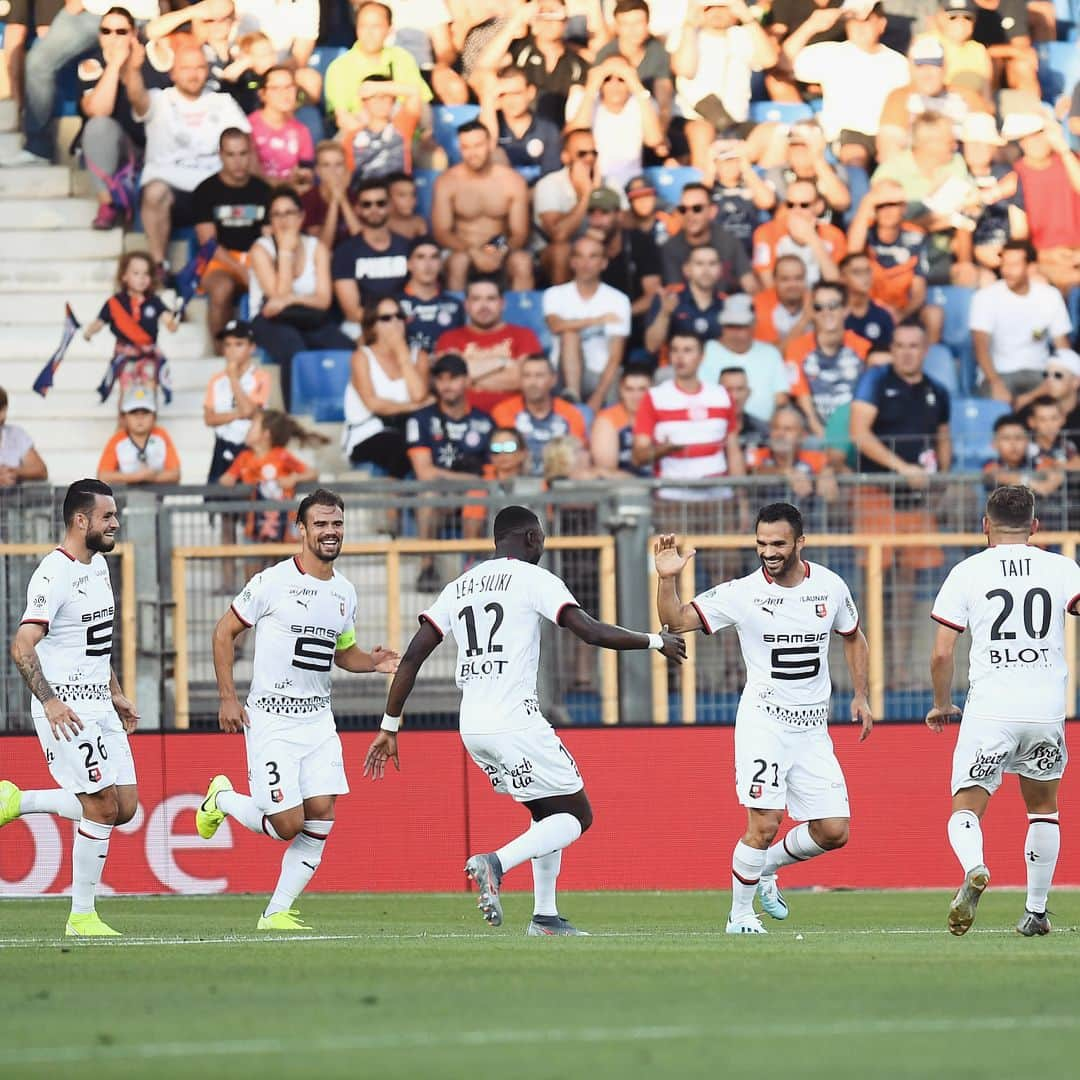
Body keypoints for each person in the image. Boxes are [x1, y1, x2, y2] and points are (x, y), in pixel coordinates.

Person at [362, 504, 686, 935]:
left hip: (473, 729)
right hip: (515, 722)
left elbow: (413, 657)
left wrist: (389, 726)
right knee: (576, 817)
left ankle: (545, 917)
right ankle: (495, 864)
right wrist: (654, 641)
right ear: (533, 539)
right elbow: (587, 630)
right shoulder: (534, 578)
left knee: (546, 814)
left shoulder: (459, 586)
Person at [654, 502, 872, 933]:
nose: (769, 552)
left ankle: (765, 868)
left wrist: (861, 695)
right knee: (765, 821)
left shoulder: (829, 586)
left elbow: (853, 637)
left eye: (778, 544)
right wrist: (667, 579)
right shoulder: (743, 592)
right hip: (764, 724)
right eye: (761, 543)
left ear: (799, 544)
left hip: (812, 730)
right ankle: (739, 916)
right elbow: (674, 621)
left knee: (833, 831)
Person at [198, 488, 400, 930]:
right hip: (271, 718)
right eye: (322, 524)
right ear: (302, 528)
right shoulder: (272, 582)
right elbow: (222, 631)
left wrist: (373, 662)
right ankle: (223, 798)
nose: (331, 532)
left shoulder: (345, 592)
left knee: (322, 813)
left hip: (317, 720)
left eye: (338, 524)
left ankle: (276, 912)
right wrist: (228, 696)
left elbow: (342, 653)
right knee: (287, 824)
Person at [927, 484, 1080, 936]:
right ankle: (1036, 912)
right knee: (1044, 809)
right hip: (1046, 708)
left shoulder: (967, 572)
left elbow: (941, 653)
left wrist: (941, 704)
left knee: (966, 807)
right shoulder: (1062, 568)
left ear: (985, 526)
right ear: (1034, 526)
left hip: (991, 708)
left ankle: (975, 867)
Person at [1, 479, 139, 937]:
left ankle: (21, 801)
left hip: (100, 702)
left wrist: (115, 690)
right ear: (81, 521)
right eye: (107, 516)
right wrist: (51, 700)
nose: (115, 523)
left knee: (126, 808)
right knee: (100, 807)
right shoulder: (53, 574)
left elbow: (94, 645)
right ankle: (82, 915)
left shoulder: (99, 566)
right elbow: (21, 646)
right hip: (67, 711)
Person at [850, 321, 951, 681]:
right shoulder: (876, 381)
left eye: (914, 345)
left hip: (916, 500)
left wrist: (940, 477)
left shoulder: (936, 391)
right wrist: (901, 467)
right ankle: (870, 670)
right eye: (901, 345)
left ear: (925, 350)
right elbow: (858, 433)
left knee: (906, 585)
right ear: (893, 349)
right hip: (877, 493)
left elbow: (943, 437)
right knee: (875, 583)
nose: (907, 352)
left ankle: (897, 669)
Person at [124, 40, 251, 278]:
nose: (193, 74)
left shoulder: (222, 102)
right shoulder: (159, 100)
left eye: (199, 67)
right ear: (172, 72)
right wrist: (133, 68)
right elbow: (136, 97)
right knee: (155, 191)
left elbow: (245, 142)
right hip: (173, 193)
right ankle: (159, 266)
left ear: (207, 70)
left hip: (215, 190)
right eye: (186, 68)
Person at [249, 186, 352, 408]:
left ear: (301, 216)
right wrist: (285, 252)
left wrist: (291, 300)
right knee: (293, 347)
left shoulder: (317, 248)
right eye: (277, 214)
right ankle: (297, 413)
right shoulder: (261, 250)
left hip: (309, 317)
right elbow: (277, 298)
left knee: (347, 348)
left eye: (289, 213)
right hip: (268, 320)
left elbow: (324, 301)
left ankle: (343, 408)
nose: (284, 220)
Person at [786, 0, 909, 170]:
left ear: (881, 24)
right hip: (847, 137)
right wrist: (811, 26)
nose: (859, 26)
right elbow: (783, 63)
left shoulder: (899, 64)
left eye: (866, 20)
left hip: (888, 136)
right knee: (855, 155)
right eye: (853, 20)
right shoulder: (832, 54)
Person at [406, 353, 494, 590]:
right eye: (441, 378)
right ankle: (427, 568)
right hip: (440, 496)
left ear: (466, 380)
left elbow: (493, 468)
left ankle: (472, 567)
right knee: (429, 495)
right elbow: (425, 473)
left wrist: (474, 481)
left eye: (454, 378)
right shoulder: (421, 419)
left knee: (479, 494)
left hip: (476, 496)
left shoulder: (484, 421)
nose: (447, 385)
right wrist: (470, 479)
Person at [667, 0, 779, 172]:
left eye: (723, 5)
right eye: (710, 6)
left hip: (736, 124)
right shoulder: (686, 33)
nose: (717, 11)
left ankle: (755, 186)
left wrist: (747, 17)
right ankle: (703, 190)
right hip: (695, 120)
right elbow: (684, 69)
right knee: (703, 132)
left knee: (776, 134)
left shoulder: (743, 35)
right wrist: (690, 23)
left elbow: (769, 60)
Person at [632, 330, 746, 499]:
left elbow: (733, 451)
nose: (680, 356)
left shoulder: (721, 396)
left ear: (701, 356)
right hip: (672, 497)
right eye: (675, 350)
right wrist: (664, 450)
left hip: (718, 498)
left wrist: (742, 501)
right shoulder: (655, 397)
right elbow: (638, 456)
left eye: (687, 350)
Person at [431, 121, 533, 292]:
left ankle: (519, 317)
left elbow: (520, 232)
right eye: (466, 147)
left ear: (490, 144)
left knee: (522, 262)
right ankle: (459, 317)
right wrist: (473, 252)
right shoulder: (447, 182)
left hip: (502, 250)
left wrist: (501, 251)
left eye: (478, 145)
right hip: (461, 250)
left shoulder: (512, 181)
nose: (472, 153)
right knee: (458, 262)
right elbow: (442, 232)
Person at [194, 128, 272, 341]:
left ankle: (263, 349)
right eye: (231, 155)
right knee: (223, 288)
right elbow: (208, 244)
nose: (238, 161)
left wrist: (255, 268)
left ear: (250, 154)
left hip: (256, 259)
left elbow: (269, 237)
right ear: (221, 155)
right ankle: (221, 354)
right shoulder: (206, 191)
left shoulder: (263, 191)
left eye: (243, 154)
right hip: (219, 262)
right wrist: (240, 268)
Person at [969, 241, 1072, 401]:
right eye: (1005, 264)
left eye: (1014, 264)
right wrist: (996, 383)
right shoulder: (984, 297)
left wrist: (1062, 380)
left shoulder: (1050, 296)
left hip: (1040, 373)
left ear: (1031, 267)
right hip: (998, 374)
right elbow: (980, 348)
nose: (1006, 270)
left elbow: (1062, 347)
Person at [344, 297, 432, 476]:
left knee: (420, 447)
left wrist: (401, 353)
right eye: (386, 318)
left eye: (399, 316)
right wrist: (412, 407)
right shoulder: (361, 357)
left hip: (410, 430)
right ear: (372, 325)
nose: (395, 322)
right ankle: (394, 503)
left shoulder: (418, 356)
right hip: (368, 431)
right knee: (399, 447)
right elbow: (374, 404)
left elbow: (418, 394)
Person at [77, 7, 146, 231]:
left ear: (133, 34)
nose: (113, 37)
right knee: (98, 126)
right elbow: (99, 110)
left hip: (146, 146)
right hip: (106, 149)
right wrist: (115, 65)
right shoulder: (91, 66)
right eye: (106, 31)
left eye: (121, 31)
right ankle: (108, 205)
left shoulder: (149, 60)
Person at [543, 234, 630, 409]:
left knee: (617, 375)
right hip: (560, 374)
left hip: (600, 373)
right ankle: (572, 396)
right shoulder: (554, 294)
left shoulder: (618, 300)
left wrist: (598, 397)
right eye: (580, 256)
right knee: (569, 335)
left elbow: (615, 357)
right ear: (572, 262)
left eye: (593, 256)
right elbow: (556, 325)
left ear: (604, 263)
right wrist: (599, 320)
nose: (585, 263)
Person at [469, 0, 589, 126]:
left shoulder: (577, 63)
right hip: (514, 128)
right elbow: (483, 66)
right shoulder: (520, 50)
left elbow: (576, 113)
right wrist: (516, 21)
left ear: (565, 21)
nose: (547, 21)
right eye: (541, 14)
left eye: (553, 14)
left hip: (556, 133)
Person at [82, 250, 179, 406]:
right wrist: (88, 332)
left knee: (149, 389)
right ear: (124, 276)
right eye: (136, 273)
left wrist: (174, 321)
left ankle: (149, 422)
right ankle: (123, 424)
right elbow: (99, 323)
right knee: (126, 390)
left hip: (149, 356)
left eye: (146, 274)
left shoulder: (154, 301)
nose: (142, 278)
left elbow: (170, 323)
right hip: (125, 356)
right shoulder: (114, 303)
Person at [434, 276, 542, 414]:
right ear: (466, 305)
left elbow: (525, 380)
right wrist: (502, 363)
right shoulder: (449, 338)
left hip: (512, 417)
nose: (484, 306)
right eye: (476, 299)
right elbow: (448, 381)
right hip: (462, 417)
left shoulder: (524, 335)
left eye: (491, 299)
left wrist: (466, 377)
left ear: (502, 303)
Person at [876, 35, 987, 165]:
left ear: (945, 67)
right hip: (914, 173)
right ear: (911, 68)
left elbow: (986, 147)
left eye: (934, 65)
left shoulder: (968, 97)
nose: (927, 74)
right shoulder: (899, 99)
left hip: (962, 170)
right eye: (920, 66)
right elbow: (889, 153)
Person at [219, 409, 326, 541]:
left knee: (288, 560)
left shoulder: (281, 455)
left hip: (284, 525)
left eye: (253, 426)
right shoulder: (244, 458)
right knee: (253, 560)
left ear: (266, 434)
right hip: (255, 525)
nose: (248, 430)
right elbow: (227, 478)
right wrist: (228, 480)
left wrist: (293, 478)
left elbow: (312, 473)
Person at [564, 54, 665, 193]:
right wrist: (592, 86)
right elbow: (575, 133)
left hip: (632, 185)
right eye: (607, 78)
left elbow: (654, 140)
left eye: (621, 79)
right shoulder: (582, 98)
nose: (614, 85)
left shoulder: (643, 102)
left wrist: (636, 84)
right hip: (592, 182)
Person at [1005, 113, 1080, 294]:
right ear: (1021, 142)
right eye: (1031, 137)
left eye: (1041, 134)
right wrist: (1043, 256)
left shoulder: (1070, 161)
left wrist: (1064, 151)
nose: (1037, 141)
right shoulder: (1016, 174)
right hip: (1045, 257)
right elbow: (1019, 232)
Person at [324, 0, 433, 125]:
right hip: (359, 133)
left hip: (402, 130)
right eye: (363, 26)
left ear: (389, 29)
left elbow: (418, 97)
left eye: (376, 26)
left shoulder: (402, 57)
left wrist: (376, 88)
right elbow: (341, 116)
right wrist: (374, 139)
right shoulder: (339, 66)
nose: (369, 33)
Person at [784, 280, 870, 436]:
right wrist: (821, 433)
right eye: (818, 307)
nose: (826, 312)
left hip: (855, 433)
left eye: (833, 306)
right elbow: (802, 399)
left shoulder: (863, 348)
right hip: (813, 434)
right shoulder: (796, 349)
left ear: (846, 309)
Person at [846, 179, 932, 333]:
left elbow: (919, 291)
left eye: (893, 205)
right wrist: (868, 202)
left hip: (902, 310)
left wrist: (901, 314)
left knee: (934, 314)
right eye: (880, 205)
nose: (887, 211)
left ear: (904, 207)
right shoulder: (863, 231)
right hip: (866, 308)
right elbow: (852, 254)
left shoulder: (916, 236)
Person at [332, 176, 412, 333]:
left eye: (380, 203)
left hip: (404, 321)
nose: (374, 209)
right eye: (367, 205)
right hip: (362, 325)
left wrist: (397, 321)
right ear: (358, 209)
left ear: (390, 206)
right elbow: (352, 311)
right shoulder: (345, 252)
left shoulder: (407, 247)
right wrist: (387, 322)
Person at [700, 294, 792, 427]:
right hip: (715, 425)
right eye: (730, 326)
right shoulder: (706, 351)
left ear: (753, 324)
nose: (735, 332)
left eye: (741, 326)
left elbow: (781, 399)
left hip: (764, 430)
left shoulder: (770, 353)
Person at [491, 356, 588, 475]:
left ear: (553, 380)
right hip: (518, 482)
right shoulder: (504, 410)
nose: (532, 382)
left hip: (560, 482)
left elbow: (576, 454)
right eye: (527, 376)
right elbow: (505, 454)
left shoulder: (571, 413)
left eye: (539, 376)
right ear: (520, 380)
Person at [203, 319, 272, 486]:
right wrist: (238, 414)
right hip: (222, 444)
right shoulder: (216, 380)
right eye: (228, 345)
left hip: (248, 446)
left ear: (252, 348)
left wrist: (233, 378)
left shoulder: (261, 377)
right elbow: (209, 419)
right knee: (216, 498)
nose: (232, 350)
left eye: (238, 344)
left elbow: (249, 410)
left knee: (248, 500)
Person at [533, 128, 603, 285]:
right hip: (551, 252)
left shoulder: (607, 181)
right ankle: (563, 308)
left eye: (594, 153)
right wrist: (587, 196)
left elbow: (624, 224)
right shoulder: (549, 184)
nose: (590, 158)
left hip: (594, 247)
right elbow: (558, 235)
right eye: (582, 154)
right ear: (565, 157)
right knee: (561, 249)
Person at [660, 182, 755, 294]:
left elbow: (750, 284)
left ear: (712, 211)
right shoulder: (670, 248)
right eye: (683, 209)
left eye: (697, 208)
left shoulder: (728, 242)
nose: (689, 215)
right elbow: (675, 294)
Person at [751, 178, 846, 289]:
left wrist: (812, 239)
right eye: (790, 205)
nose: (796, 210)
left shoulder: (834, 235)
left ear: (819, 206)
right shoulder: (765, 232)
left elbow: (836, 283)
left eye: (804, 205)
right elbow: (767, 283)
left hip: (821, 301)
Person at [476, 65, 562, 184]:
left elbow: (552, 177)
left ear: (530, 92)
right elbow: (483, 153)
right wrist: (488, 100)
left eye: (516, 93)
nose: (510, 100)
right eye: (503, 94)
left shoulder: (548, 129)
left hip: (540, 197)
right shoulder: (491, 124)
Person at [644, 244, 727, 357]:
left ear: (720, 270)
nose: (706, 270)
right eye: (699, 264)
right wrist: (665, 313)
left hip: (716, 369)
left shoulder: (728, 303)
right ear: (686, 269)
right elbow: (651, 346)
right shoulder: (668, 296)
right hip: (672, 369)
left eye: (712, 264)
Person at [761, 121, 851, 223]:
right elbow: (781, 216)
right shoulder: (778, 172)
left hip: (825, 235)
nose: (798, 150)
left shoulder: (834, 170)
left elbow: (841, 202)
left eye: (804, 144)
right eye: (793, 144)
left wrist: (817, 158)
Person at [338, 73, 422, 183]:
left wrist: (376, 87)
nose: (380, 102)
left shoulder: (402, 126)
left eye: (385, 97)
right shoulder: (352, 137)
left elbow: (415, 92)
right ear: (364, 102)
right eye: (374, 97)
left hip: (396, 194)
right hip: (366, 195)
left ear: (393, 100)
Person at [747, 406, 839, 504]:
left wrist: (826, 473)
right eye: (776, 428)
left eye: (788, 429)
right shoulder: (758, 454)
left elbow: (828, 469)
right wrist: (783, 472)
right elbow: (752, 471)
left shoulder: (814, 457)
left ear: (803, 436)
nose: (780, 434)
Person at [398, 235, 466, 358]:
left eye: (434, 257)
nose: (428, 265)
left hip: (447, 373)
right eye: (420, 257)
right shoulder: (394, 305)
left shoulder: (456, 306)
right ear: (409, 264)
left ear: (440, 264)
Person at [97, 391, 182, 486]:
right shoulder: (117, 439)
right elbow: (103, 476)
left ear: (154, 417)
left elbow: (175, 474)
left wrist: (151, 477)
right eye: (133, 412)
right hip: (123, 499)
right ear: (124, 417)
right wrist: (136, 477)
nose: (140, 418)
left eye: (145, 412)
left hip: (156, 498)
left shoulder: (161, 435)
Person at [249, 65, 316, 186]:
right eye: (275, 88)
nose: (284, 93)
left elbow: (307, 176)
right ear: (262, 94)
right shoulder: (248, 127)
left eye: (289, 87)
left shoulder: (301, 130)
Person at [981, 413, 1063, 500]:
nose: (1013, 444)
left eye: (1018, 438)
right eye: (1006, 438)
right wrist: (1031, 484)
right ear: (994, 443)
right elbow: (998, 475)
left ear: (1028, 441)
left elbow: (1055, 474)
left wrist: (1048, 485)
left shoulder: (1036, 461)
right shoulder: (991, 464)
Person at [590, 364, 653, 476]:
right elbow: (606, 472)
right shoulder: (608, 419)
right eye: (629, 389)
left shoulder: (663, 414)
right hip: (623, 488)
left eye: (642, 389)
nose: (636, 396)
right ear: (621, 391)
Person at [302, 141, 362, 250]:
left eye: (338, 164)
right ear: (317, 171)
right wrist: (334, 201)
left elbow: (361, 242)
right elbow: (322, 248)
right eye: (326, 165)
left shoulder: (356, 197)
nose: (333, 171)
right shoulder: (307, 200)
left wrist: (343, 200)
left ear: (346, 168)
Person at [753, 254, 812, 352]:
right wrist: (805, 320)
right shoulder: (759, 305)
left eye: (798, 278)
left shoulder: (817, 300)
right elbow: (773, 354)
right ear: (775, 280)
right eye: (785, 279)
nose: (792, 285)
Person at [840, 251, 894, 355]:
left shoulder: (883, 315)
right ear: (842, 277)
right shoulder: (833, 314)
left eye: (867, 271)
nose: (865, 277)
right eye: (857, 272)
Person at [0, 386, 49, 488]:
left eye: (3, 409)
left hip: (13, 501)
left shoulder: (16, 434)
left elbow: (41, 470)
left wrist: (15, 472)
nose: (3, 416)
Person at [386, 173, 427, 238]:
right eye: (402, 195)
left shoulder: (418, 223)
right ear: (387, 198)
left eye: (413, 194)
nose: (410, 200)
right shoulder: (379, 224)